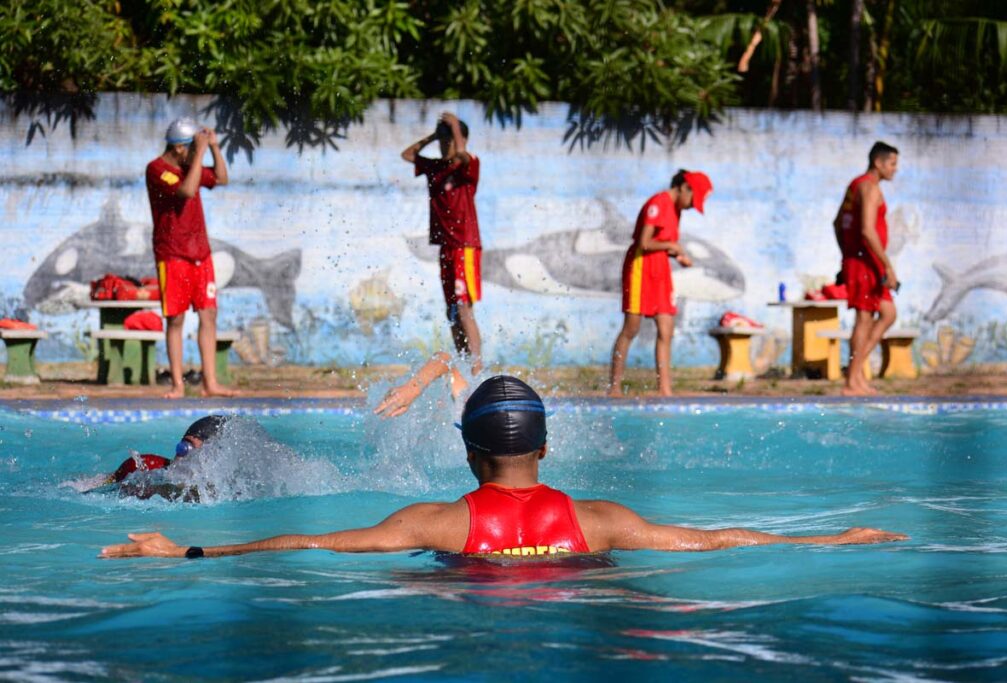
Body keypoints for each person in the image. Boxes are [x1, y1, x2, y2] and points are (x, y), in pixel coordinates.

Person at [101, 377, 906, 559]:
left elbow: (305, 545)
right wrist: (835, 539)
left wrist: (186, 552)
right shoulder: (604, 519)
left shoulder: (435, 522)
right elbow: (717, 538)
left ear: (469, 451)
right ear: (545, 448)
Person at [145, 117, 238, 399]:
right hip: (172, 255)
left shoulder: (190, 166)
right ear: (179, 148)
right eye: (191, 147)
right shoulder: (157, 169)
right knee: (175, 319)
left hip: (200, 254)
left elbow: (221, 178)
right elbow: (186, 191)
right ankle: (178, 384)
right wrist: (199, 154)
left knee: (208, 315)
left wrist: (214, 148)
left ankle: (210, 383)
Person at [608, 170, 713, 397]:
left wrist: (677, 256)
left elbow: (663, 243)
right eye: (692, 201)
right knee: (631, 328)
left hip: (660, 271)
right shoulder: (658, 203)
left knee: (666, 328)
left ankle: (665, 389)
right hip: (640, 268)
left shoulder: (676, 209)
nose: (690, 207)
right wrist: (672, 247)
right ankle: (614, 387)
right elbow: (645, 242)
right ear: (685, 187)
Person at [401, 112, 483, 374]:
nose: (445, 145)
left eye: (450, 140)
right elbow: (408, 154)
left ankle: (476, 369)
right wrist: (434, 135)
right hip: (446, 248)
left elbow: (461, 154)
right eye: (442, 141)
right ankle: (463, 365)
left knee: (463, 308)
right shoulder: (435, 168)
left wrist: (456, 128)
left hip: (465, 246)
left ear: (462, 139)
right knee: (452, 311)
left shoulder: (467, 167)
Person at [833, 141, 900, 396]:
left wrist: (845, 255)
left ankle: (856, 374)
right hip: (866, 262)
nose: (895, 169)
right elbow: (867, 231)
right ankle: (852, 381)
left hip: (860, 260)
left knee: (888, 313)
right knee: (864, 319)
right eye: (892, 164)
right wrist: (887, 266)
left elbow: (837, 223)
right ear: (878, 163)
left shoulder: (855, 185)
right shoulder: (869, 188)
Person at [99, 416, 230, 500]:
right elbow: (94, 487)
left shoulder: (229, 492)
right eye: (183, 445)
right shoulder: (146, 468)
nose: (183, 453)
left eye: (191, 448)